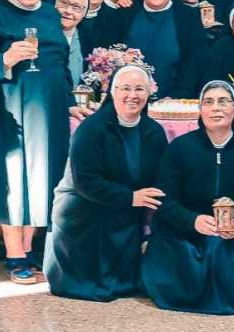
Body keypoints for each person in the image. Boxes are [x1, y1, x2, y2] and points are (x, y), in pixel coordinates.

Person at [0, 0, 74, 284]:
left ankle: (30, 248)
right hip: (14, 104)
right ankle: (14, 252)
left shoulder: (49, 12)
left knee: (43, 175)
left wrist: (70, 101)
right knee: (15, 176)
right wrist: (6, 59)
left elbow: (61, 61)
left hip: (51, 107)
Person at [141, 81, 234, 314]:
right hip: (184, 227)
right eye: (208, 102)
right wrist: (193, 221)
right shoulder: (179, 148)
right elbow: (165, 200)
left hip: (230, 231)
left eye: (223, 101)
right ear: (200, 110)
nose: (215, 107)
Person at [44, 65, 169, 301]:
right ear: (112, 91)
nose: (132, 95)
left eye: (139, 89)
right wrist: (131, 197)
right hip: (83, 212)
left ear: (148, 93)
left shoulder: (153, 131)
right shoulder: (91, 129)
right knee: (88, 285)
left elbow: (161, 176)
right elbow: (85, 181)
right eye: (125, 88)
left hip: (123, 212)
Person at [95, 0, 207, 98]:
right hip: (128, 97)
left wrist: (177, 96)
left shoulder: (188, 17)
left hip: (173, 99)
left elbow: (194, 63)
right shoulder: (124, 14)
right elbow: (109, 56)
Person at [49, 0, 92, 92]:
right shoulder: (41, 37)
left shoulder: (88, 41)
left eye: (76, 7)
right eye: (64, 3)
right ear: (55, 4)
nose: (68, 11)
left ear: (84, 13)